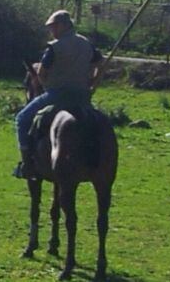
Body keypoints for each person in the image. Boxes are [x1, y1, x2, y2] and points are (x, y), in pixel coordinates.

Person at [14, 10, 104, 179]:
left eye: (53, 27)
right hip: (83, 97)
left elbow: (41, 73)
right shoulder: (87, 44)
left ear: (63, 25)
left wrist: (46, 85)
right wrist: (93, 83)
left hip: (57, 95)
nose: (51, 31)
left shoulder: (55, 47)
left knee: (21, 119)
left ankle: (27, 165)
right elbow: (100, 62)